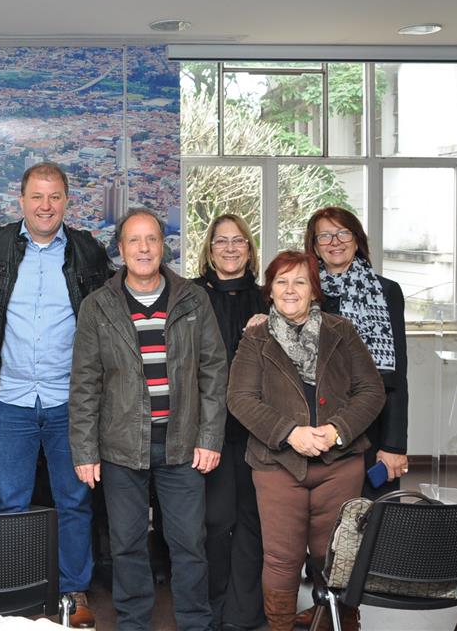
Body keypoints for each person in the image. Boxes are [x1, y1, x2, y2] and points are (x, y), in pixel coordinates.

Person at [0, 162, 111, 628]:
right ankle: (12, 592)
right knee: (11, 502)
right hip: (8, 398)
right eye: (37, 197)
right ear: (20, 201)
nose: (46, 206)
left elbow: (122, 300)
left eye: (55, 196)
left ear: (66, 201)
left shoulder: (87, 251)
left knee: (74, 500)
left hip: (70, 401)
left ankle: (74, 591)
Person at [70, 207, 228, 631]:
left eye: (152, 239)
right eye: (134, 241)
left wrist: (211, 437)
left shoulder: (194, 299)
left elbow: (214, 370)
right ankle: (134, 623)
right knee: (126, 545)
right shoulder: (97, 306)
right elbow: (85, 383)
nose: (143, 248)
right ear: (120, 249)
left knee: (189, 545)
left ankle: (196, 623)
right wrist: (85, 450)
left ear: (163, 246)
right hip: (120, 446)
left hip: (183, 444)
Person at [227, 251, 385, 631]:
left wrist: (336, 430)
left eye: (300, 281)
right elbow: (240, 399)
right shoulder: (256, 338)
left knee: (337, 557)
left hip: (340, 463)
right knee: (281, 558)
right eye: (281, 281)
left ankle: (340, 623)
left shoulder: (341, 331)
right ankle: (280, 625)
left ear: (314, 290)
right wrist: (290, 433)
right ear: (270, 291)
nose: (290, 289)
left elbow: (372, 391)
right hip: (277, 464)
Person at [191, 215, 266, 631]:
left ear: (249, 249)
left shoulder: (268, 299)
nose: (231, 248)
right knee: (215, 523)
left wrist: (266, 331)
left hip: (257, 431)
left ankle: (244, 611)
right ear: (210, 249)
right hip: (209, 429)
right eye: (222, 241)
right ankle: (215, 605)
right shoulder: (190, 296)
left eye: (239, 241)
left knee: (253, 521)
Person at [304, 207, 408, 499]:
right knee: (327, 523)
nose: (334, 241)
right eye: (324, 235)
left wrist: (394, 445)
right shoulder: (302, 292)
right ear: (314, 246)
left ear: (357, 239)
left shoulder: (387, 291)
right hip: (318, 425)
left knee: (372, 521)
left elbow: (397, 376)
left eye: (343, 233)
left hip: (372, 424)